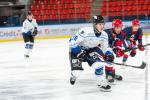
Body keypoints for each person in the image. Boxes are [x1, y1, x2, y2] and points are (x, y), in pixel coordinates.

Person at [69, 15, 114, 92]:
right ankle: (73, 76)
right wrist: (78, 52)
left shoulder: (104, 35)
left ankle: (100, 83)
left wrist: (109, 54)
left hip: (90, 50)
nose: (102, 26)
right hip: (77, 50)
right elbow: (71, 42)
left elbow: (105, 48)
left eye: (103, 24)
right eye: (100, 24)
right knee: (76, 73)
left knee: (99, 65)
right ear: (95, 24)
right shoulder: (85, 31)